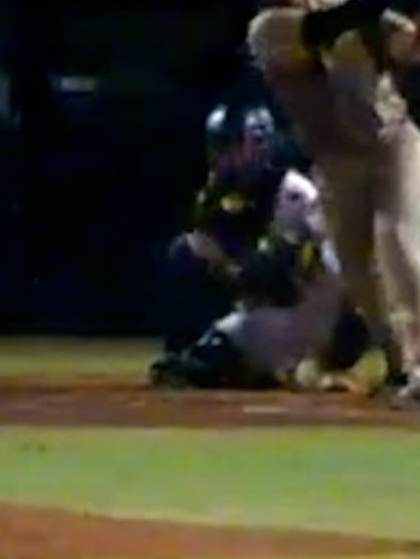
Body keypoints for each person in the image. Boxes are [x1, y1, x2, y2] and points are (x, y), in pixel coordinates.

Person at [244, 0, 420, 407]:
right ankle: (399, 363)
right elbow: (320, 30)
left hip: (394, 145)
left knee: (396, 238)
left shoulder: (354, 7)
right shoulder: (266, 30)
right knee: (358, 274)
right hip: (335, 162)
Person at [150, 103, 369, 391]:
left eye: (230, 145)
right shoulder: (221, 192)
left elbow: (320, 268)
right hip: (266, 307)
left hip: (313, 307)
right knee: (185, 254)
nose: (223, 156)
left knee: (271, 269)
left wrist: (286, 262)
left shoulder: (296, 194)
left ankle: (311, 365)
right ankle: (203, 349)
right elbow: (210, 253)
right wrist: (235, 270)